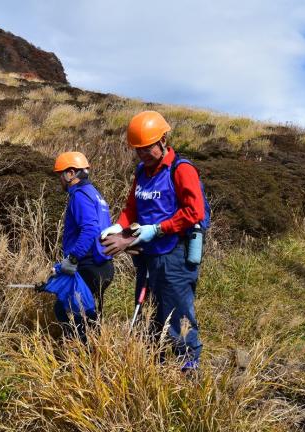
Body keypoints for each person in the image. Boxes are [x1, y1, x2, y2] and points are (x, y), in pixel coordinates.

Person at [100, 111, 208, 371]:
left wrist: (157, 229)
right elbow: (131, 207)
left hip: (174, 255)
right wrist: (119, 225)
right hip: (147, 256)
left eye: (147, 148)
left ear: (163, 139)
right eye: (138, 150)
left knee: (177, 315)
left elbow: (195, 212)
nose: (143, 154)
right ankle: (153, 368)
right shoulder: (142, 172)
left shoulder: (182, 170)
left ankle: (189, 371)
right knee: (150, 314)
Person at [53, 151, 115, 341]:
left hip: (89, 265)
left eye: (60, 175)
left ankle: (80, 360)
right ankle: (93, 358)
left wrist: (72, 258)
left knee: (68, 311)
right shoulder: (94, 194)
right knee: (90, 318)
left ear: (71, 173)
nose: (60, 180)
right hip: (102, 264)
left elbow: (90, 229)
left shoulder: (79, 195)